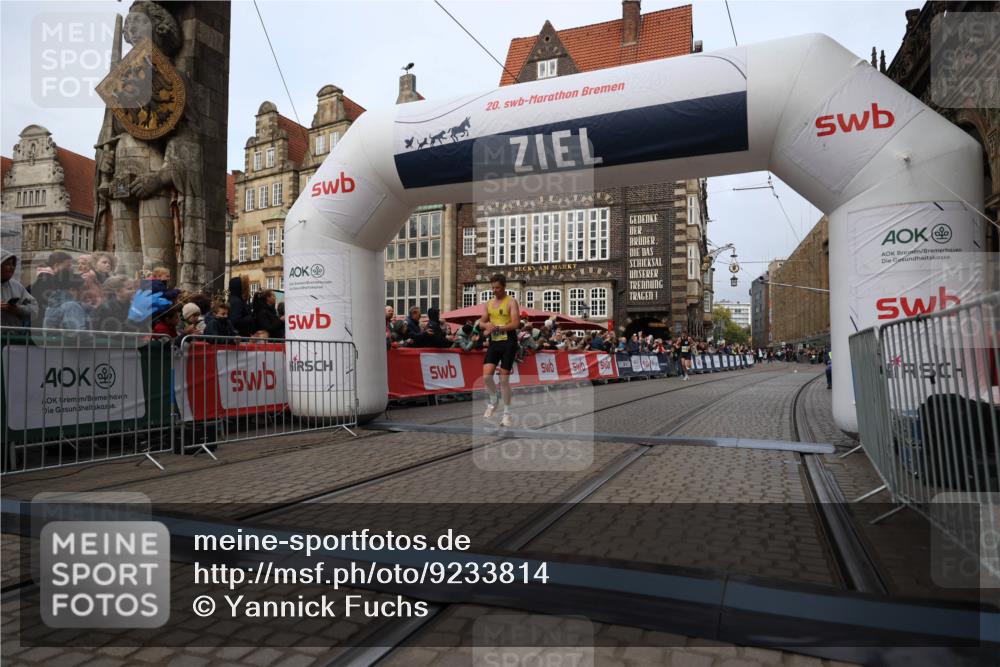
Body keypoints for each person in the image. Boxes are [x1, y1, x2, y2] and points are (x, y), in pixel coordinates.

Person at [478, 273, 520, 427]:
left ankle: (507, 414)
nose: (494, 290)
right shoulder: (488, 303)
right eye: (493, 288)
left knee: (503, 379)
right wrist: (487, 326)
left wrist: (497, 327)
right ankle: (494, 400)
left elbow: (515, 324)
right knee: (486, 376)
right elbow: (481, 322)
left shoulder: (511, 302)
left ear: (504, 287)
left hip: (508, 342)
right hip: (495, 342)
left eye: (497, 288)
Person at [1, 250, 39, 332]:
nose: (12, 267)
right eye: (8, 264)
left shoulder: (17, 286)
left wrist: (17, 309)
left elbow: (34, 310)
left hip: (12, 337)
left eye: (13, 264)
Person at [30, 250, 73, 314]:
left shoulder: (45, 279)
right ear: (56, 265)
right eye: (68, 266)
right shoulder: (47, 282)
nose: (70, 269)